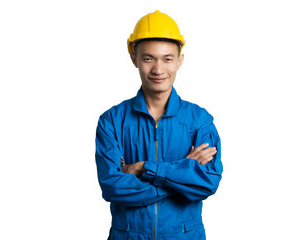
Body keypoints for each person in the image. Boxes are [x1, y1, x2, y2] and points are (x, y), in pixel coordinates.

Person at [95, 10, 223, 240]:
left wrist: (143, 167)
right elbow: (112, 187)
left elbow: (207, 183)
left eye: (167, 59)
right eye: (148, 58)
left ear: (179, 61)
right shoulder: (111, 121)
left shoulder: (199, 121)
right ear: (134, 58)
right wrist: (182, 173)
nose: (158, 69)